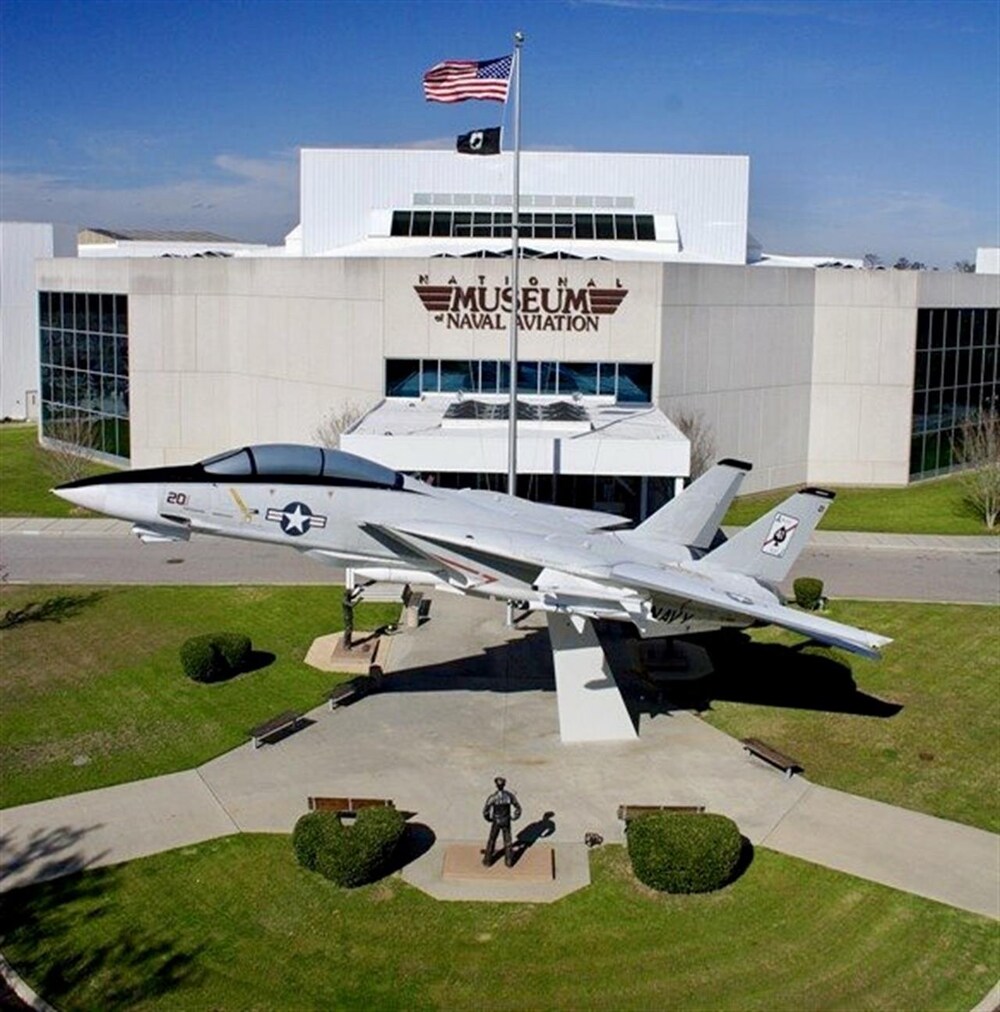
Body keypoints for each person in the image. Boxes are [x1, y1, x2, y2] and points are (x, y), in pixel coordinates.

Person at [482, 776, 522, 867]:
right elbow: (518, 807)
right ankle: (509, 861)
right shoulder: (509, 796)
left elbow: (486, 811)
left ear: (496, 785)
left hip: (496, 821)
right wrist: (515, 816)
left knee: (492, 840)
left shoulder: (493, 797)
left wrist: (489, 818)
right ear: (504, 785)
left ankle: (487, 861)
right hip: (506, 820)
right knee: (508, 841)